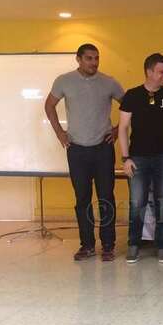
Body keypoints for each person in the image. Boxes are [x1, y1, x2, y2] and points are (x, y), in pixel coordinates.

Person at [44, 43, 124, 262]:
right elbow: (49, 106)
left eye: (97, 58)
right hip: (77, 149)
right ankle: (87, 245)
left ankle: (108, 245)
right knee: (82, 199)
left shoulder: (109, 82)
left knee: (106, 197)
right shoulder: (64, 81)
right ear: (78, 59)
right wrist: (60, 133)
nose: (94, 62)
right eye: (89, 58)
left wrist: (118, 130)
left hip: (103, 148)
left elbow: (129, 107)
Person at [118, 53, 163, 264]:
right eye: (161, 71)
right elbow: (123, 128)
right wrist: (125, 158)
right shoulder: (132, 95)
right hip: (137, 157)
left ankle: (162, 245)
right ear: (149, 72)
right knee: (137, 202)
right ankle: (133, 244)